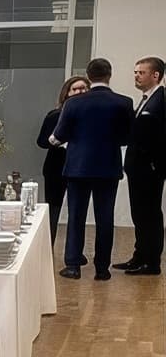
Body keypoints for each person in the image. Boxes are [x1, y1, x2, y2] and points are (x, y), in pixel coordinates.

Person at [50, 55, 134, 281]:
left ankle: (73, 265)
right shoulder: (124, 102)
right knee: (105, 217)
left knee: (76, 216)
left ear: (89, 76)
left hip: (78, 167)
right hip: (108, 167)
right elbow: (127, 137)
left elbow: (59, 135)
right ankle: (102, 268)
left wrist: (55, 140)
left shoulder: (73, 103)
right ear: (109, 75)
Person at [122, 54, 166, 275]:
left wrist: (153, 164)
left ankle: (152, 262)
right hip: (138, 168)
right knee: (139, 213)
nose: (136, 76)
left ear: (155, 75)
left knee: (150, 214)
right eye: (135, 72)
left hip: (149, 169)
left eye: (141, 72)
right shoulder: (146, 98)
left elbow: (157, 136)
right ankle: (139, 256)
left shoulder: (161, 99)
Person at [38, 74, 89, 247]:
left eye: (83, 88)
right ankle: (47, 248)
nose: (80, 91)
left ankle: (75, 252)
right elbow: (42, 141)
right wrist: (59, 142)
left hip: (80, 168)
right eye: (75, 89)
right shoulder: (55, 115)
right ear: (66, 93)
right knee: (53, 210)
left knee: (77, 213)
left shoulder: (92, 116)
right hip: (55, 168)